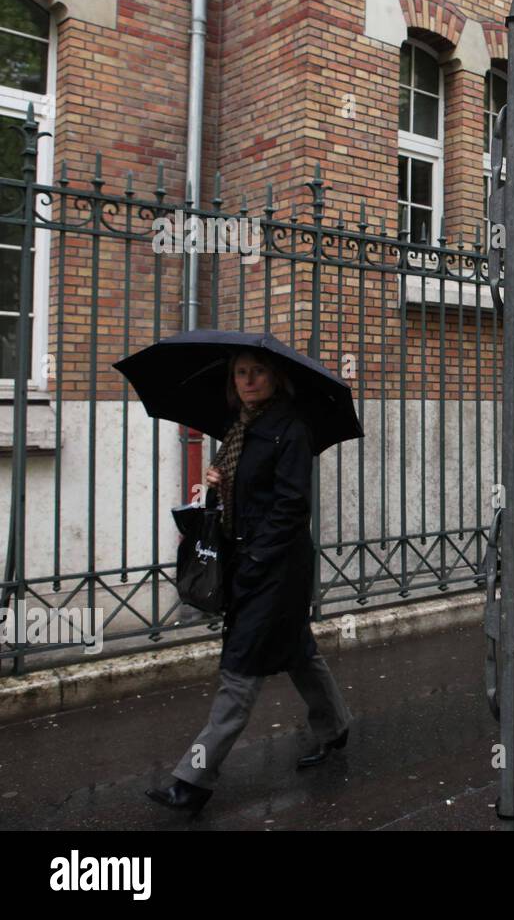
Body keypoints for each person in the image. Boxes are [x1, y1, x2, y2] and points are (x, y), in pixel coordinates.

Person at [146, 349, 354, 816]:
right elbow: (240, 497)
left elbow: (292, 506)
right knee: (297, 650)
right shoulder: (237, 430)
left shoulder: (291, 429)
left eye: (258, 371)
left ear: (276, 379)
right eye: (241, 373)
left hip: (275, 566)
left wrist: (258, 556)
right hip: (246, 560)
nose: (249, 379)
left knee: (240, 666)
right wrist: (217, 482)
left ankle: (192, 779)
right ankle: (336, 726)